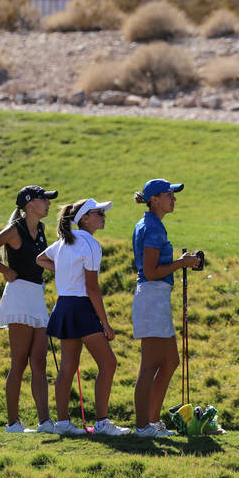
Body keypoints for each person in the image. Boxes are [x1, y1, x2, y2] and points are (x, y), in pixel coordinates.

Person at [36, 198, 129, 436]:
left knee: (68, 367)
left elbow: (40, 259)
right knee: (108, 363)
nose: (103, 216)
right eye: (99, 213)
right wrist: (106, 324)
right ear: (85, 218)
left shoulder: (63, 242)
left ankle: (64, 424)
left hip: (64, 305)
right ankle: (102, 423)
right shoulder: (90, 244)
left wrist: (66, 270)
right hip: (81, 306)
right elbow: (93, 288)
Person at [0, 185, 58, 434]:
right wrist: (4, 270)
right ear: (30, 204)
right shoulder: (14, 230)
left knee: (39, 361)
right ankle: (13, 423)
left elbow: (42, 261)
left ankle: (44, 421)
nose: (48, 204)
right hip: (19, 294)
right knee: (19, 361)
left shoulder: (41, 229)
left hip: (36, 295)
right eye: (44, 200)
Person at [130, 178, 207, 437]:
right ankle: (143, 426)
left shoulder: (153, 225)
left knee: (171, 361)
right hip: (152, 296)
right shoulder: (152, 228)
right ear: (154, 200)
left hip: (156, 297)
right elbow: (151, 272)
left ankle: (151, 422)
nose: (173, 198)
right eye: (168, 194)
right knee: (149, 365)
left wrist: (181, 263)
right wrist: (181, 263)